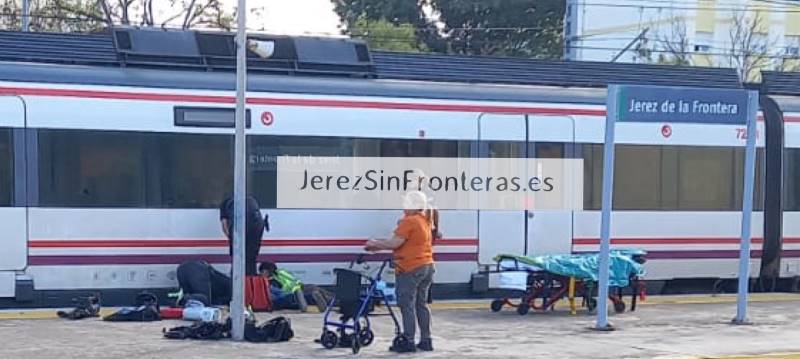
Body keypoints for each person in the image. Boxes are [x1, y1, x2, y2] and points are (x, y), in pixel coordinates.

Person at [364, 191, 435, 353]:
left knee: (406, 304)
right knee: (421, 304)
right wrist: (380, 245)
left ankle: (408, 340)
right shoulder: (424, 220)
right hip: (427, 266)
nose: (403, 206)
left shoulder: (409, 221)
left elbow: (395, 243)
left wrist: (375, 244)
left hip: (410, 268)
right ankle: (426, 340)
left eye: (406, 203)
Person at [219, 195, 268, 276]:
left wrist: (231, 237)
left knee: (237, 256)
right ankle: (251, 280)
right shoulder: (248, 199)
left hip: (244, 221)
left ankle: (237, 281)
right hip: (258, 222)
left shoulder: (225, 205)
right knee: (251, 256)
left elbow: (225, 227)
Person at [259, 262, 333, 312]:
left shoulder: (279, 275)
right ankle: (331, 301)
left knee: (313, 288)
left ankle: (332, 299)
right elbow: (278, 293)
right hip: (289, 294)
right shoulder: (266, 282)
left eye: (263, 271)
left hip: (292, 291)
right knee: (309, 293)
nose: (261, 274)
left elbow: (291, 281)